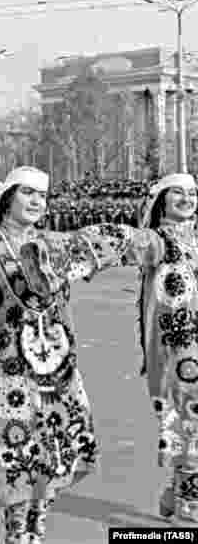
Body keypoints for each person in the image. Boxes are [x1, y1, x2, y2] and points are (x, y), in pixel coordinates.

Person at [0, 166, 161, 543]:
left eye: (41, 196)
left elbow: (112, 244)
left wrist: (162, 239)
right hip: (2, 369)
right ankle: (16, 528)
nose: (35, 202)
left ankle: (38, 521)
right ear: (8, 197)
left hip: (54, 369)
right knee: (11, 446)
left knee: (51, 446)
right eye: (27, 193)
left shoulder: (56, 244)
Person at [135, 173, 198, 521]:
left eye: (193, 193)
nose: (188, 199)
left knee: (189, 421)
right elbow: (109, 246)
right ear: (161, 199)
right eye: (179, 193)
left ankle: (176, 492)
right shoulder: (154, 240)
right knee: (190, 418)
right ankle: (189, 501)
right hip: (178, 349)